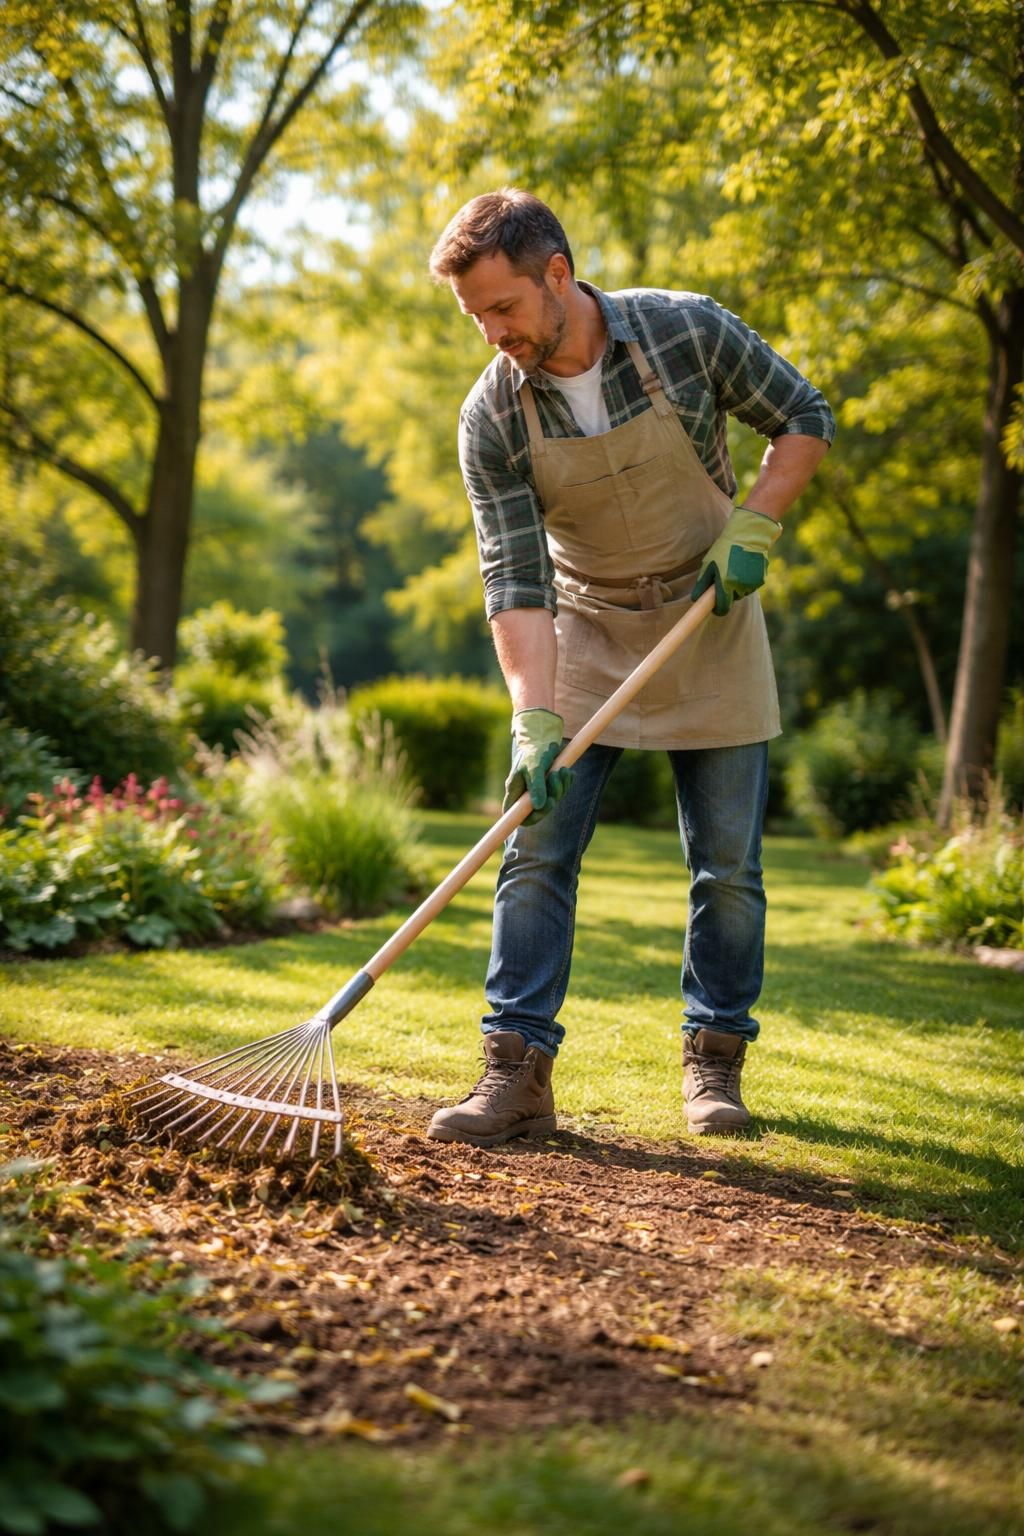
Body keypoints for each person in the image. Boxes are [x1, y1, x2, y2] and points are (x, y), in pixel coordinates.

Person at [425, 188, 834, 1147]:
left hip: (710, 614)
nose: (492, 333)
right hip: (587, 633)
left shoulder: (686, 333)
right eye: (475, 316)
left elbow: (802, 414)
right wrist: (534, 716)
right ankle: (514, 1069)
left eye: (503, 308)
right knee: (535, 846)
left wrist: (756, 523)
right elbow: (515, 579)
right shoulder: (492, 417)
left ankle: (715, 1064)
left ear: (556, 274)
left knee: (727, 868)